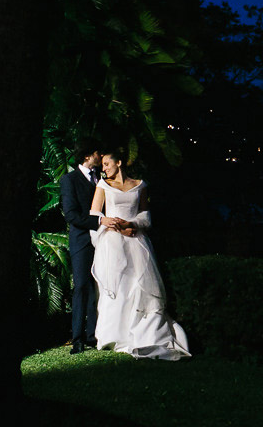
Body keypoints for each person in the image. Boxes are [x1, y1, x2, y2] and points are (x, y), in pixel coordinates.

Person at [90, 148, 190, 360]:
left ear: (119, 163)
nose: (104, 168)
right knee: (118, 284)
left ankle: (143, 333)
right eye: (102, 166)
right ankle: (112, 335)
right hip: (112, 241)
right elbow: (95, 213)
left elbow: (145, 215)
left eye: (106, 164)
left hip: (136, 241)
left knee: (139, 285)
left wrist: (132, 224)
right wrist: (112, 225)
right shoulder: (103, 185)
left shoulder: (140, 185)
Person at [60, 138, 123, 354]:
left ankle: (94, 334)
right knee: (81, 286)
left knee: (101, 284)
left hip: (106, 239)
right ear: (88, 156)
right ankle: (77, 337)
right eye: (97, 153)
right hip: (82, 240)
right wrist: (99, 221)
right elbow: (71, 214)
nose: (101, 156)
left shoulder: (103, 178)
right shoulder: (69, 180)